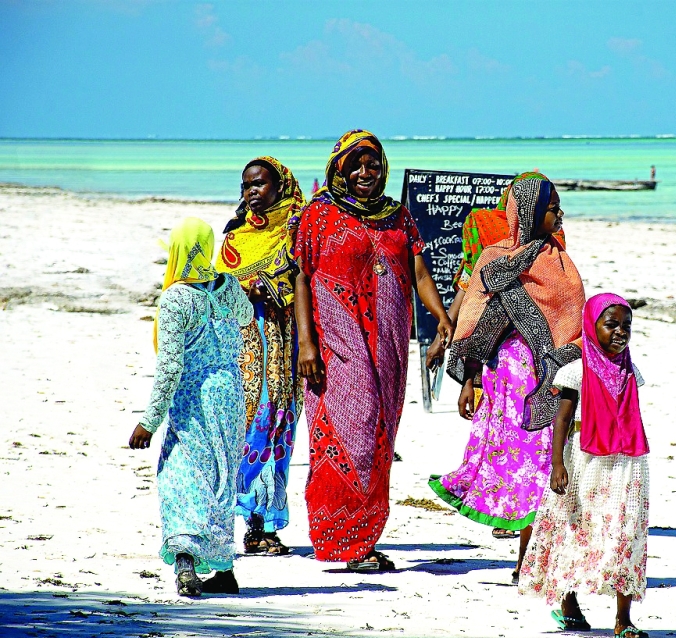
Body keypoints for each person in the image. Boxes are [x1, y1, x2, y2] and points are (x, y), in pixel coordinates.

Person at [294, 129, 454, 570]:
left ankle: (362, 541)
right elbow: (302, 278)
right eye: (357, 165)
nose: (366, 173)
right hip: (336, 342)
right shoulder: (318, 215)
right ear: (340, 168)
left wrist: (441, 317)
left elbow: (419, 272)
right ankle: (338, 536)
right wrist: (306, 343)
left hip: (389, 344)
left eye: (374, 165)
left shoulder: (398, 216)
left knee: (381, 435)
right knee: (348, 431)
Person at [428, 173, 585, 582]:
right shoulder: (493, 258)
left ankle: (529, 560)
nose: (559, 214)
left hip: (547, 383)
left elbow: (572, 325)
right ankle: (525, 560)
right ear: (531, 212)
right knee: (515, 467)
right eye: (551, 208)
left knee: (544, 465)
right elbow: (475, 322)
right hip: (503, 384)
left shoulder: (561, 262)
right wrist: (470, 381)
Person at [129, 217, 253, 597]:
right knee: (222, 475)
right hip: (231, 392)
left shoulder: (177, 298)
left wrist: (148, 422)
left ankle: (185, 563)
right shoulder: (228, 284)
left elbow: (171, 366)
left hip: (193, 395)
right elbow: (247, 317)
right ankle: (224, 569)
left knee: (181, 473)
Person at [519, 293, 651, 638]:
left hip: (627, 462)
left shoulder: (631, 371)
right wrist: (557, 464)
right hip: (583, 460)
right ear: (592, 328)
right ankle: (568, 602)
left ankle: (623, 617)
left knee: (626, 532)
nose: (620, 332)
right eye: (611, 325)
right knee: (575, 527)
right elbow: (562, 420)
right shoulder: (575, 371)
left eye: (627, 325)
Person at [216, 156, 303, 556]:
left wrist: (274, 290)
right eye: (245, 185)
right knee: (252, 426)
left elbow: (308, 277)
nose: (251, 192)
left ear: (280, 186)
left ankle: (263, 523)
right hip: (247, 348)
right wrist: (243, 291)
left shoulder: (297, 228)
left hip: (287, 342)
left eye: (259, 184)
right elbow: (217, 287)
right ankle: (242, 513)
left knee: (280, 427)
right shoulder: (235, 236)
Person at [425, 175, 567, 369]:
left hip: (540, 346)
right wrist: (439, 340)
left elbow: (561, 299)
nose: (560, 213)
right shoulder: (484, 228)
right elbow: (471, 290)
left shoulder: (551, 239)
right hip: (490, 347)